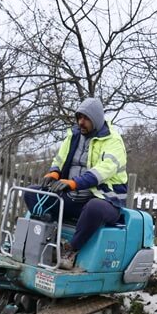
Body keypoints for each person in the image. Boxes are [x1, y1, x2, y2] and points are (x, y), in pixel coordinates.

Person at [24, 97, 128, 269]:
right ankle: (48, 238)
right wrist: (54, 172)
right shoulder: (73, 136)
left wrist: (73, 183)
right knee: (31, 193)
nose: (81, 122)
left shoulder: (113, 141)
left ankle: (71, 250)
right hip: (72, 197)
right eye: (79, 117)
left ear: (96, 119)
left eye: (86, 118)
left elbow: (101, 172)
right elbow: (60, 158)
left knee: (94, 207)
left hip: (105, 199)